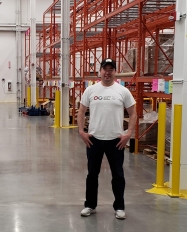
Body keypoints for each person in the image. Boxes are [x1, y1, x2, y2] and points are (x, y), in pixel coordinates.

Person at [77, 58, 137, 219]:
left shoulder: (122, 91)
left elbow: (133, 113)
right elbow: (81, 111)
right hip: (94, 139)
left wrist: (128, 133)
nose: (107, 72)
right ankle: (90, 205)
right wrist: (81, 131)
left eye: (111, 69)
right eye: (105, 69)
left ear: (115, 72)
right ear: (100, 71)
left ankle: (119, 207)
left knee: (118, 175)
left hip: (116, 140)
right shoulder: (91, 90)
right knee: (92, 174)